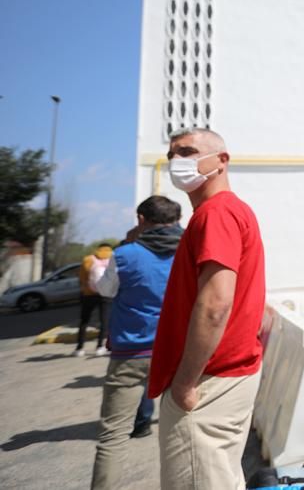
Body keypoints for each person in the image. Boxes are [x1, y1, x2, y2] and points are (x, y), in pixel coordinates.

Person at [148, 127, 266, 490]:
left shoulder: (216, 213)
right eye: (172, 156)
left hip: (208, 382)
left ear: (222, 160)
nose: (176, 162)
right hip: (222, 378)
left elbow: (216, 303)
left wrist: (185, 382)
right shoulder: (230, 212)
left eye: (186, 151)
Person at [90, 195, 183, 490]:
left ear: (142, 220)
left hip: (130, 352)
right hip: (176, 352)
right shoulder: (189, 251)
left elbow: (105, 289)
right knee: (180, 431)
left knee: (113, 435)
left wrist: (124, 245)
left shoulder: (127, 254)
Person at [75, 243, 113, 357]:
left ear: (98, 249)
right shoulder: (113, 259)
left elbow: (82, 278)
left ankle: (79, 348)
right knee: (104, 320)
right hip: (106, 294)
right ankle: (100, 347)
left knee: (84, 320)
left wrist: (85, 288)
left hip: (89, 294)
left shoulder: (88, 259)